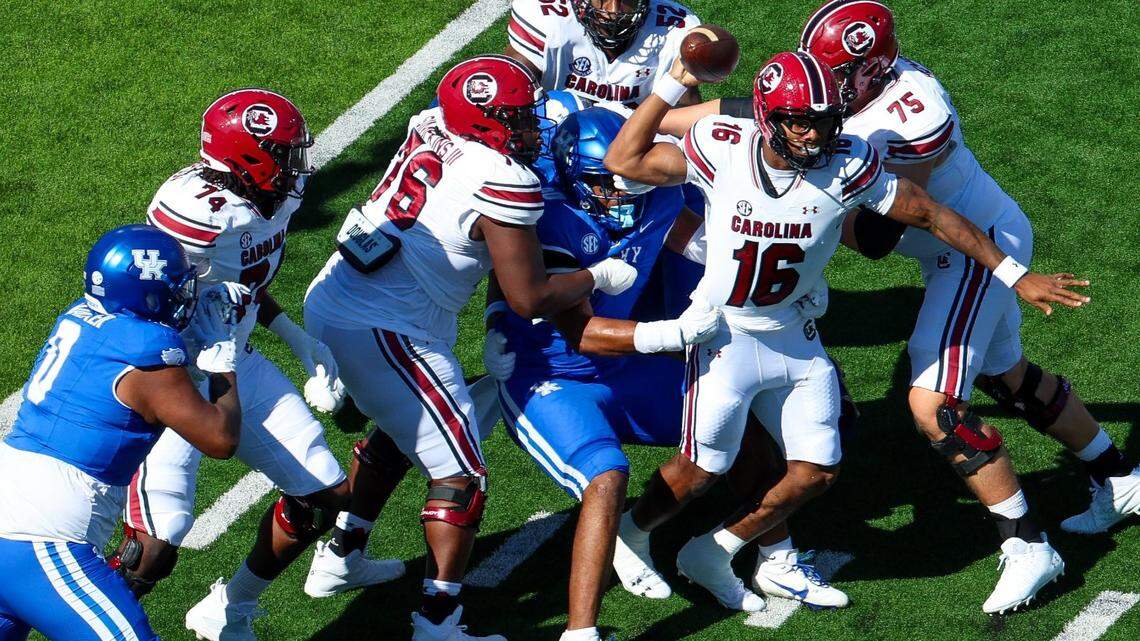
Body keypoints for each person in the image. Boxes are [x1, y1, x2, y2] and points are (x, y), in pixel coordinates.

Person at [602, 49, 1088, 614]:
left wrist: (1014, 272)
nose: (816, 134)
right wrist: (670, 84)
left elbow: (931, 214)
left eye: (826, 119)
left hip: (795, 334)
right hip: (723, 333)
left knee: (817, 470)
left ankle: (715, 549)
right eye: (801, 121)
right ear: (766, 118)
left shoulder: (847, 160)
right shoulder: (722, 144)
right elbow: (625, 158)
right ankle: (634, 532)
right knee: (701, 468)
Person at [794, 0, 1136, 611]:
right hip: (955, 249)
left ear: (874, 67)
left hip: (977, 249)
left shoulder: (913, 107)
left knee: (936, 405)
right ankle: (1119, 477)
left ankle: (1028, 546)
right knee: (1007, 376)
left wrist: (813, 192)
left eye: (840, 75)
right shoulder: (842, 94)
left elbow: (876, 237)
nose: (827, 89)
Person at [303, 55, 638, 641]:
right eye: (516, 120)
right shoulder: (504, 179)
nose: (529, 130)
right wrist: (596, 277)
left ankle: (342, 553)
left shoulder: (430, 122)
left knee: (407, 424)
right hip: (387, 328)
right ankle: (438, 622)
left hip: (341, 297)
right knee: (460, 473)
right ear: (486, 123)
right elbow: (530, 296)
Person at [120, 89, 402, 641]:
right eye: (285, 152)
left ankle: (231, 609)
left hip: (237, 362)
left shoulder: (275, 198)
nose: (298, 164)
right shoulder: (196, 211)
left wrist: (296, 338)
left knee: (324, 495)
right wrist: (193, 359)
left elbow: (242, 288)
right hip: (178, 379)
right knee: (152, 549)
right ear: (249, 159)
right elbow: (151, 298)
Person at [487, 107, 718, 641]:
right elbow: (580, 332)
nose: (622, 194)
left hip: (625, 364)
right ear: (572, 176)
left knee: (723, 420)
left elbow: (698, 239)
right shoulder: (550, 216)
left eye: (628, 179)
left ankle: (657, 537)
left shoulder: (656, 194)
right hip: (549, 374)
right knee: (605, 476)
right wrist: (675, 335)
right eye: (605, 184)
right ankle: (580, 633)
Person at [0, 224, 242, 641]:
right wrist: (222, 356)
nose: (184, 294)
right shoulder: (147, 351)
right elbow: (220, 437)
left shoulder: (83, 315)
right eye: (175, 284)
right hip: (39, 535)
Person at [505, 0, 701, 106]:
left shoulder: (677, 30)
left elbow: (685, 125)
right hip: (554, 145)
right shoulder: (544, 19)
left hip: (635, 153)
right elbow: (509, 100)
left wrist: (631, 122)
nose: (613, 10)